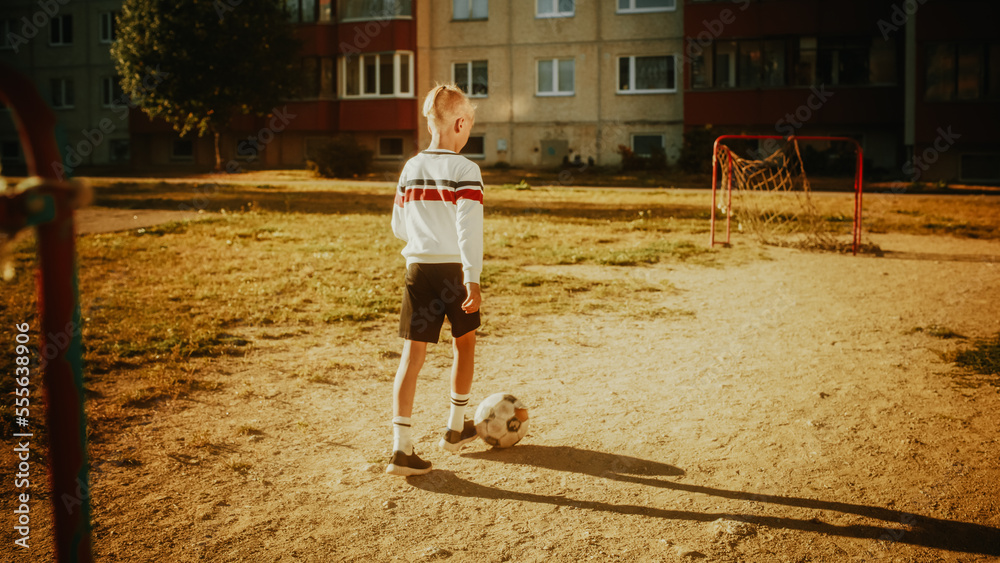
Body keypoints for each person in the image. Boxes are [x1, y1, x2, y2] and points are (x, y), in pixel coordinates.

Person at [386, 84, 484, 476]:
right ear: (460, 123)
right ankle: (455, 429)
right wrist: (471, 278)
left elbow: (398, 225)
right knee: (465, 346)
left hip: (418, 270)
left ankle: (401, 450)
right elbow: (468, 229)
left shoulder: (411, 167)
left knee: (412, 358)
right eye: (470, 126)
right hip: (454, 272)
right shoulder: (466, 169)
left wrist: (423, 241)